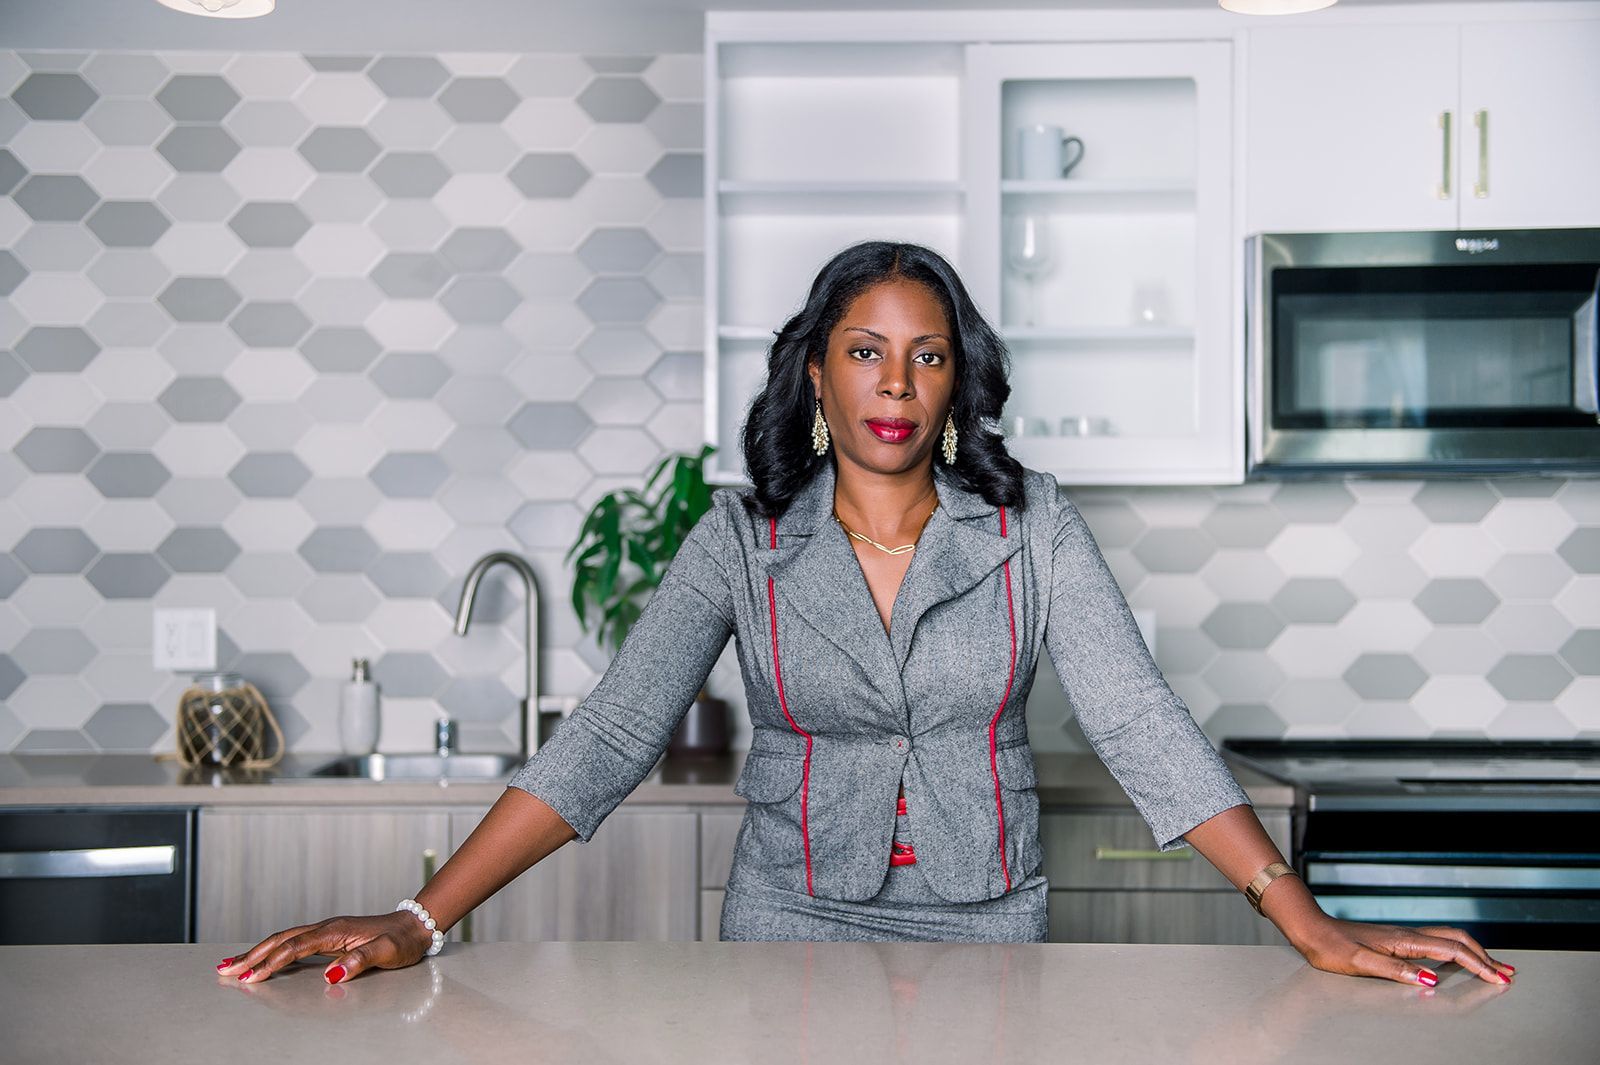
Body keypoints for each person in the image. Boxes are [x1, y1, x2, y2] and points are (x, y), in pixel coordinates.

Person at [217, 241, 1515, 987]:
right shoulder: (739, 537)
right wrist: (419, 917)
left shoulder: (1031, 525)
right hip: (787, 922)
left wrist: (1305, 916)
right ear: (817, 375)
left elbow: (1141, 724)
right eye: (865, 350)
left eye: (928, 353)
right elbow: (606, 740)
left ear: (957, 385)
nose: (897, 381)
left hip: (991, 921)